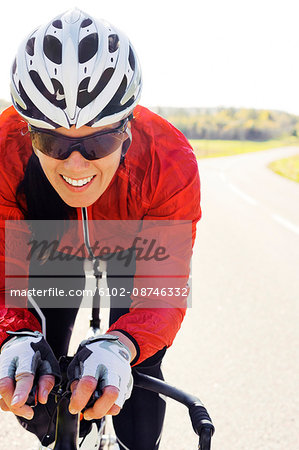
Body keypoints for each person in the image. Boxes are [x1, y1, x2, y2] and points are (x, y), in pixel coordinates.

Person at [0, 8, 201, 450]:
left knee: (138, 372)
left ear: (127, 128)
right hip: (50, 246)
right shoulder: (3, 150)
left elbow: (162, 290)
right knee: (39, 383)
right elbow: (1, 271)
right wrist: (12, 335)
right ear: (27, 131)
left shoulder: (169, 160)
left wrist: (125, 346)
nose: (75, 165)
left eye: (98, 142)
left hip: (135, 246)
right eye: (52, 142)